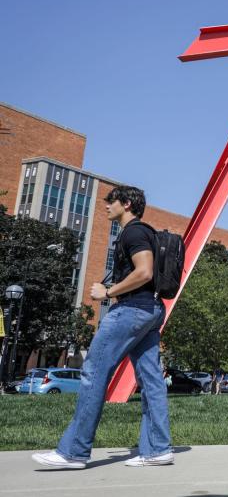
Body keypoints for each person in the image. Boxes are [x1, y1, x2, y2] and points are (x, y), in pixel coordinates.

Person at [32, 185, 172, 469]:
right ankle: (157, 449)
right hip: (151, 309)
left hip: (132, 310)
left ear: (127, 204)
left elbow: (143, 271)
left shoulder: (133, 232)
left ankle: (74, 451)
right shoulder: (145, 232)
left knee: (93, 372)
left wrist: (108, 292)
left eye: (111, 201)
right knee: (151, 380)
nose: (106, 205)